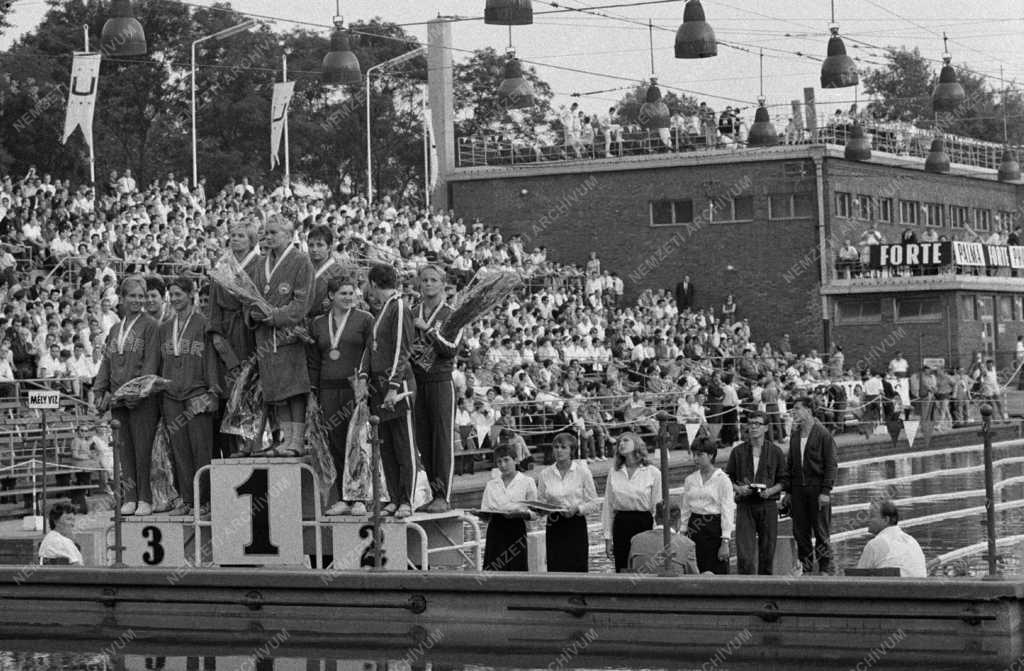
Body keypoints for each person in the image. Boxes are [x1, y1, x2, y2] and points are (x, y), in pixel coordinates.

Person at [93, 276, 160, 517]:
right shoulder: (114, 329)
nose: (137, 300)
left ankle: (145, 497)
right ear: (122, 298)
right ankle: (129, 497)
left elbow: (151, 362)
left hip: (141, 399)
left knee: (143, 450)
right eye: (132, 296)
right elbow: (106, 363)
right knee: (124, 451)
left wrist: (139, 391)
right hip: (118, 400)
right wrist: (99, 390)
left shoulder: (151, 325)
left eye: (141, 296)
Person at [248, 215, 314, 456]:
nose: (268, 236)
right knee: (276, 390)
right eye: (266, 232)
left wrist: (275, 316)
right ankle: (286, 438)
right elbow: (251, 296)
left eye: (274, 232)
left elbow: (302, 302)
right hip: (265, 337)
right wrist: (254, 313)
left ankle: (297, 440)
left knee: (294, 388)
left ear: (289, 235)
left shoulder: (301, 262)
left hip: (289, 335)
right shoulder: (259, 264)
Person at [308, 277, 373, 515]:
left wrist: (365, 384)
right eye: (343, 293)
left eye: (351, 293)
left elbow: (370, 353)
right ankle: (342, 497)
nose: (348, 297)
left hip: (353, 388)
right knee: (334, 442)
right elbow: (314, 361)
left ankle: (359, 498)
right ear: (331, 296)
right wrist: (313, 393)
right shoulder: (317, 323)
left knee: (356, 442)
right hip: (327, 389)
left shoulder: (365, 320)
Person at [359, 263, 418, 519]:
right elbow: (371, 349)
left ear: (372, 283)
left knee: (404, 445)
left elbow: (401, 351)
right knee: (387, 447)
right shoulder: (382, 310)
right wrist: (363, 376)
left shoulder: (400, 307)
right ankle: (393, 497)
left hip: (398, 387)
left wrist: (394, 387)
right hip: (379, 389)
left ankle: (407, 499)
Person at [159, 277, 219, 516]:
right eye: (171, 295)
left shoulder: (204, 323)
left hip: (197, 393)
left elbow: (212, 360)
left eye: (179, 294)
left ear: (190, 294)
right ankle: (187, 499)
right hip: (172, 395)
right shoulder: (165, 327)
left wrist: (212, 390)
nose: (174, 299)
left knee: (201, 450)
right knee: (179, 450)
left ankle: (204, 501)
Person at [411, 264, 461, 513]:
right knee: (423, 439)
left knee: (441, 439)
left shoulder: (453, 314)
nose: (428, 284)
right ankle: (432, 492)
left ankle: (443, 494)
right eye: (424, 280)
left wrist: (427, 330)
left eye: (433, 280)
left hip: (441, 381)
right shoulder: (412, 311)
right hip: (417, 382)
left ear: (443, 284)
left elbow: (451, 348)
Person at [208, 221, 260, 457]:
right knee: (232, 392)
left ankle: (254, 443)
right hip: (228, 335)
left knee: (253, 391)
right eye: (232, 235)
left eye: (241, 236)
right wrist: (218, 337)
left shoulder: (260, 266)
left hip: (251, 334)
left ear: (251, 241)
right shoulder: (221, 268)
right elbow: (213, 309)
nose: (235, 239)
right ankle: (234, 447)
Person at [725, 411, 787, 574]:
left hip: (768, 505)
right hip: (745, 505)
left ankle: (765, 590)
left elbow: (784, 480)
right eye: (750, 423)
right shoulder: (738, 452)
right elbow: (727, 478)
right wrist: (739, 489)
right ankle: (746, 590)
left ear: (766, 427)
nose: (753, 427)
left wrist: (771, 491)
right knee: (744, 554)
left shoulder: (776, 452)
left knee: (767, 552)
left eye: (757, 424)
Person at [785, 396, 838, 575]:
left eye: (797, 409)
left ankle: (825, 568)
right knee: (801, 532)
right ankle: (806, 568)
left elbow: (831, 465)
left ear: (808, 410)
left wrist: (826, 491)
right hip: (799, 489)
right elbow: (791, 465)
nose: (794, 412)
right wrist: (789, 492)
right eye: (793, 409)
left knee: (821, 532)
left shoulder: (823, 434)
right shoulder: (795, 435)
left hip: (817, 489)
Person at [536, 432, 599, 573]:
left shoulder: (583, 472)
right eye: (556, 447)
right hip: (554, 524)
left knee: (577, 565)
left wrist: (578, 508)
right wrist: (541, 509)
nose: (559, 450)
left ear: (572, 450)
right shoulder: (545, 474)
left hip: (575, 523)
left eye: (563, 447)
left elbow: (594, 503)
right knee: (556, 566)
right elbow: (540, 501)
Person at [601, 432, 661, 573]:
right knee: (622, 566)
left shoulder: (653, 472)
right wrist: (608, 537)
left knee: (643, 566)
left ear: (637, 444)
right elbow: (608, 506)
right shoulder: (614, 472)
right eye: (619, 442)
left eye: (625, 440)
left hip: (643, 523)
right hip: (621, 523)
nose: (621, 444)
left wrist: (657, 534)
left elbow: (658, 506)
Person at [680, 436, 734, 574]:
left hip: (714, 527)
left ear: (711, 455)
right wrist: (682, 532)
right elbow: (685, 508)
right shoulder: (690, 480)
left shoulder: (723, 480)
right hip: (694, 526)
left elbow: (727, 510)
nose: (695, 459)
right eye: (694, 455)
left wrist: (725, 541)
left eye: (700, 455)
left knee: (716, 569)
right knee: (695, 567)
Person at [480, 445, 537, 572]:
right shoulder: (491, 484)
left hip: (516, 527)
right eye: (499, 462)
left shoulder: (527, 482)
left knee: (516, 567)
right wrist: (480, 515)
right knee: (493, 567)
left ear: (516, 460)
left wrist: (522, 514)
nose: (503, 465)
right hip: (495, 529)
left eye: (506, 460)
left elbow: (535, 513)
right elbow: (485, 510)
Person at [855, 499, 927, 577]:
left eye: (872, 516)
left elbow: (857, 580)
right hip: (920, 588)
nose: (867, 520)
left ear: (886, 519)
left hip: (891, 588)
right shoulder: (912, 541)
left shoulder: (876, 544)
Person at [628, 500, 700, 576]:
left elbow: (630, 569)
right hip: (674, 586)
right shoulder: (687, 544)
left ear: (655, 519)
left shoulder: (636, 540)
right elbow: (694, 579)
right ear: (678, 521)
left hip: (641, 586)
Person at [307, 225, 346, 319]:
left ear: (329, 247)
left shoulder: (339, 272)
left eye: (320, 245)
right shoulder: (302, 268)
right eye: (311, 245)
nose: (314, 249)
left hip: (325, 324)